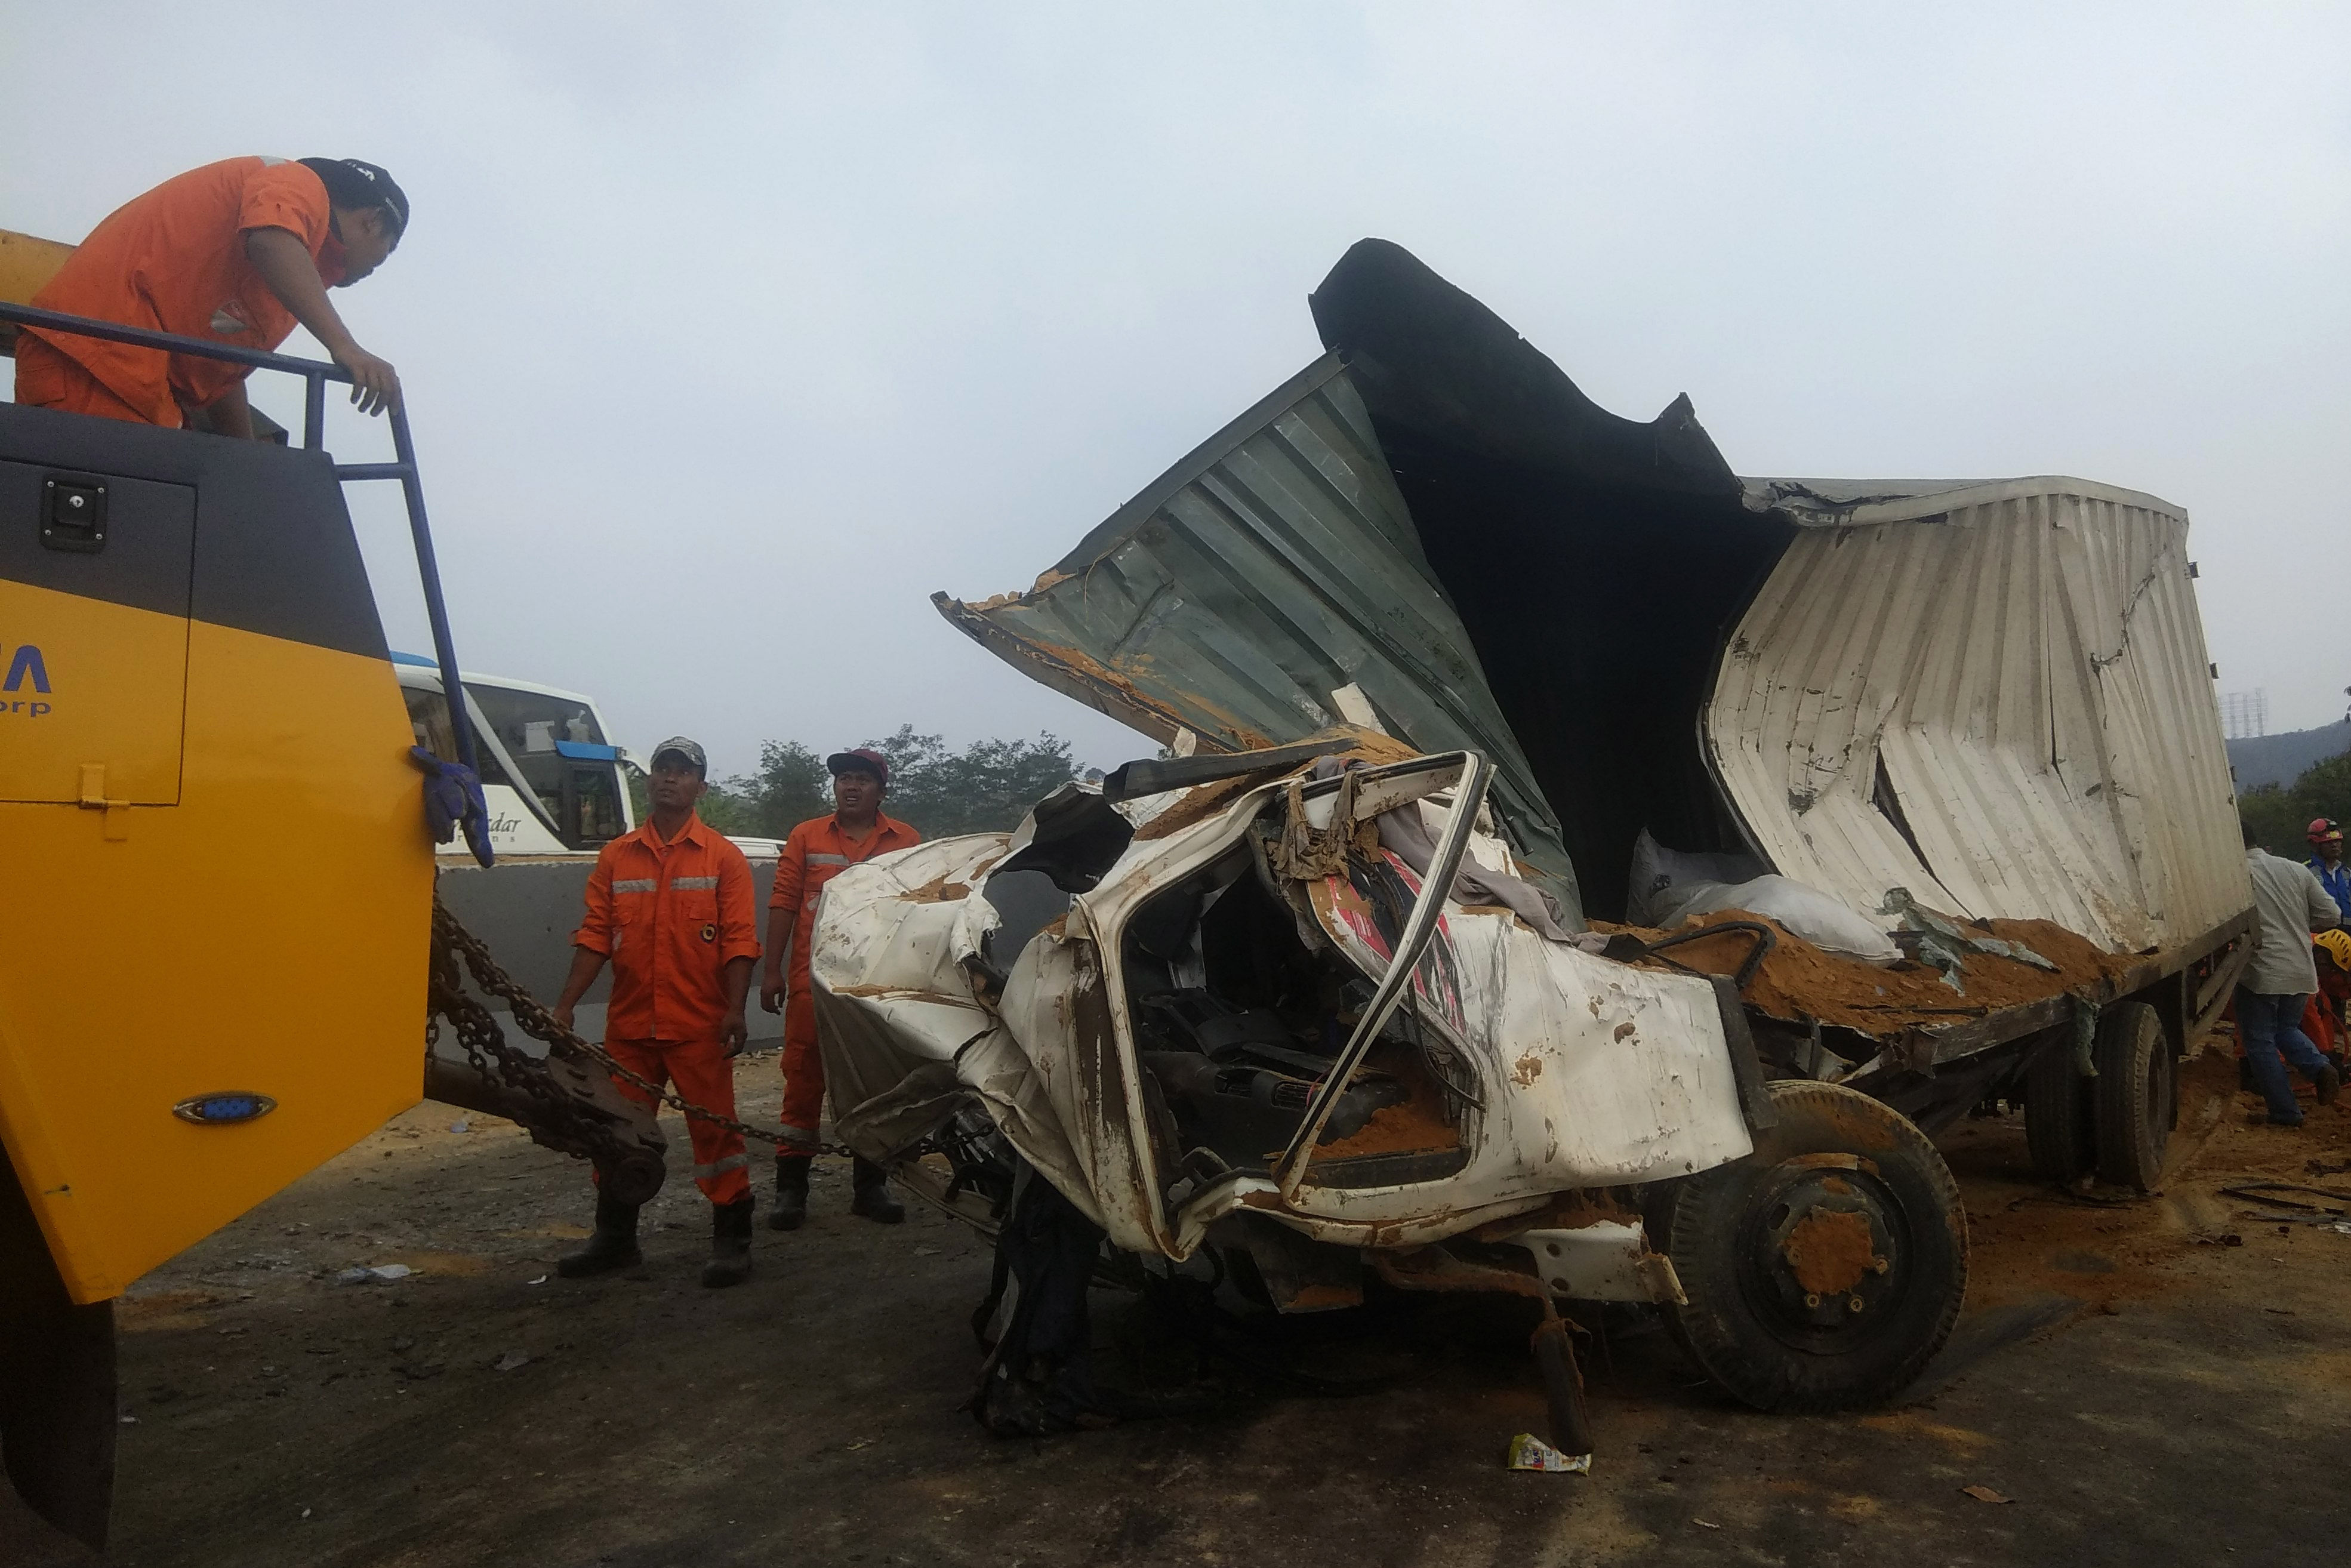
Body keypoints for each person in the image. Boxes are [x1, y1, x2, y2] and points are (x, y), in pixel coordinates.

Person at [550, 738, 762, 1286]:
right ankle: (615, 1239)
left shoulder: (723, 857)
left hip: (699, 1025)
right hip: (630, 1028)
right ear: (651, 782)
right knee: (618, 1133)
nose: (669, 778)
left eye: (682, 770)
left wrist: (735, 1010)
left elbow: (740, 939)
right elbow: (596, 933)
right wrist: (566, 1005)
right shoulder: (617, 855)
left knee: (716, 1137)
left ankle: (732, 1238)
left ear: (701, 787)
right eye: (662, 769)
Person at [16, 156, 406, 435]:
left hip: (125, 381)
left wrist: (245, 455)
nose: (377, 267)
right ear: (373, 221)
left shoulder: (278, 273)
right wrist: (345, 347)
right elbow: (271, 242)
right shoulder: (298, 184)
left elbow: (218, 368)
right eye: (387, 252)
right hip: (94, 365)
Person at [758, 747, 920, 1228]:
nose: (850, 786)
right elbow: (784, 901)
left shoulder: (906, 840)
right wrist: (771, 971)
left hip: (876, 984)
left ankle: (870, 1186)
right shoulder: (805, 836)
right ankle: (791, 1190)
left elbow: (920, 911)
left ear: (880, 790)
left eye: (861, 779)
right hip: (811, 982)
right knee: (803, 1081)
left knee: (873, 1083)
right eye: (843, 778)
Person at [2236, 821, 2344, 1128]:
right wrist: (2295, 923)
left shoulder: (2235, 875)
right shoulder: (2295, 869)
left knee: (2259, 1043)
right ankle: (2320, 1068)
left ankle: (2285, 1113)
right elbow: (2332, 915)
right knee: (2285, 1029)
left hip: (2261, 972)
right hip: (2301, 968)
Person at [2307, 819, 2351, 924]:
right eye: (2328, 842)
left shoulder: (2347, 873)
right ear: (2314, 845)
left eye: (2337, 841)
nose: (2334, 846)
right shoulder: (2305, 872)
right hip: (2319, 935)